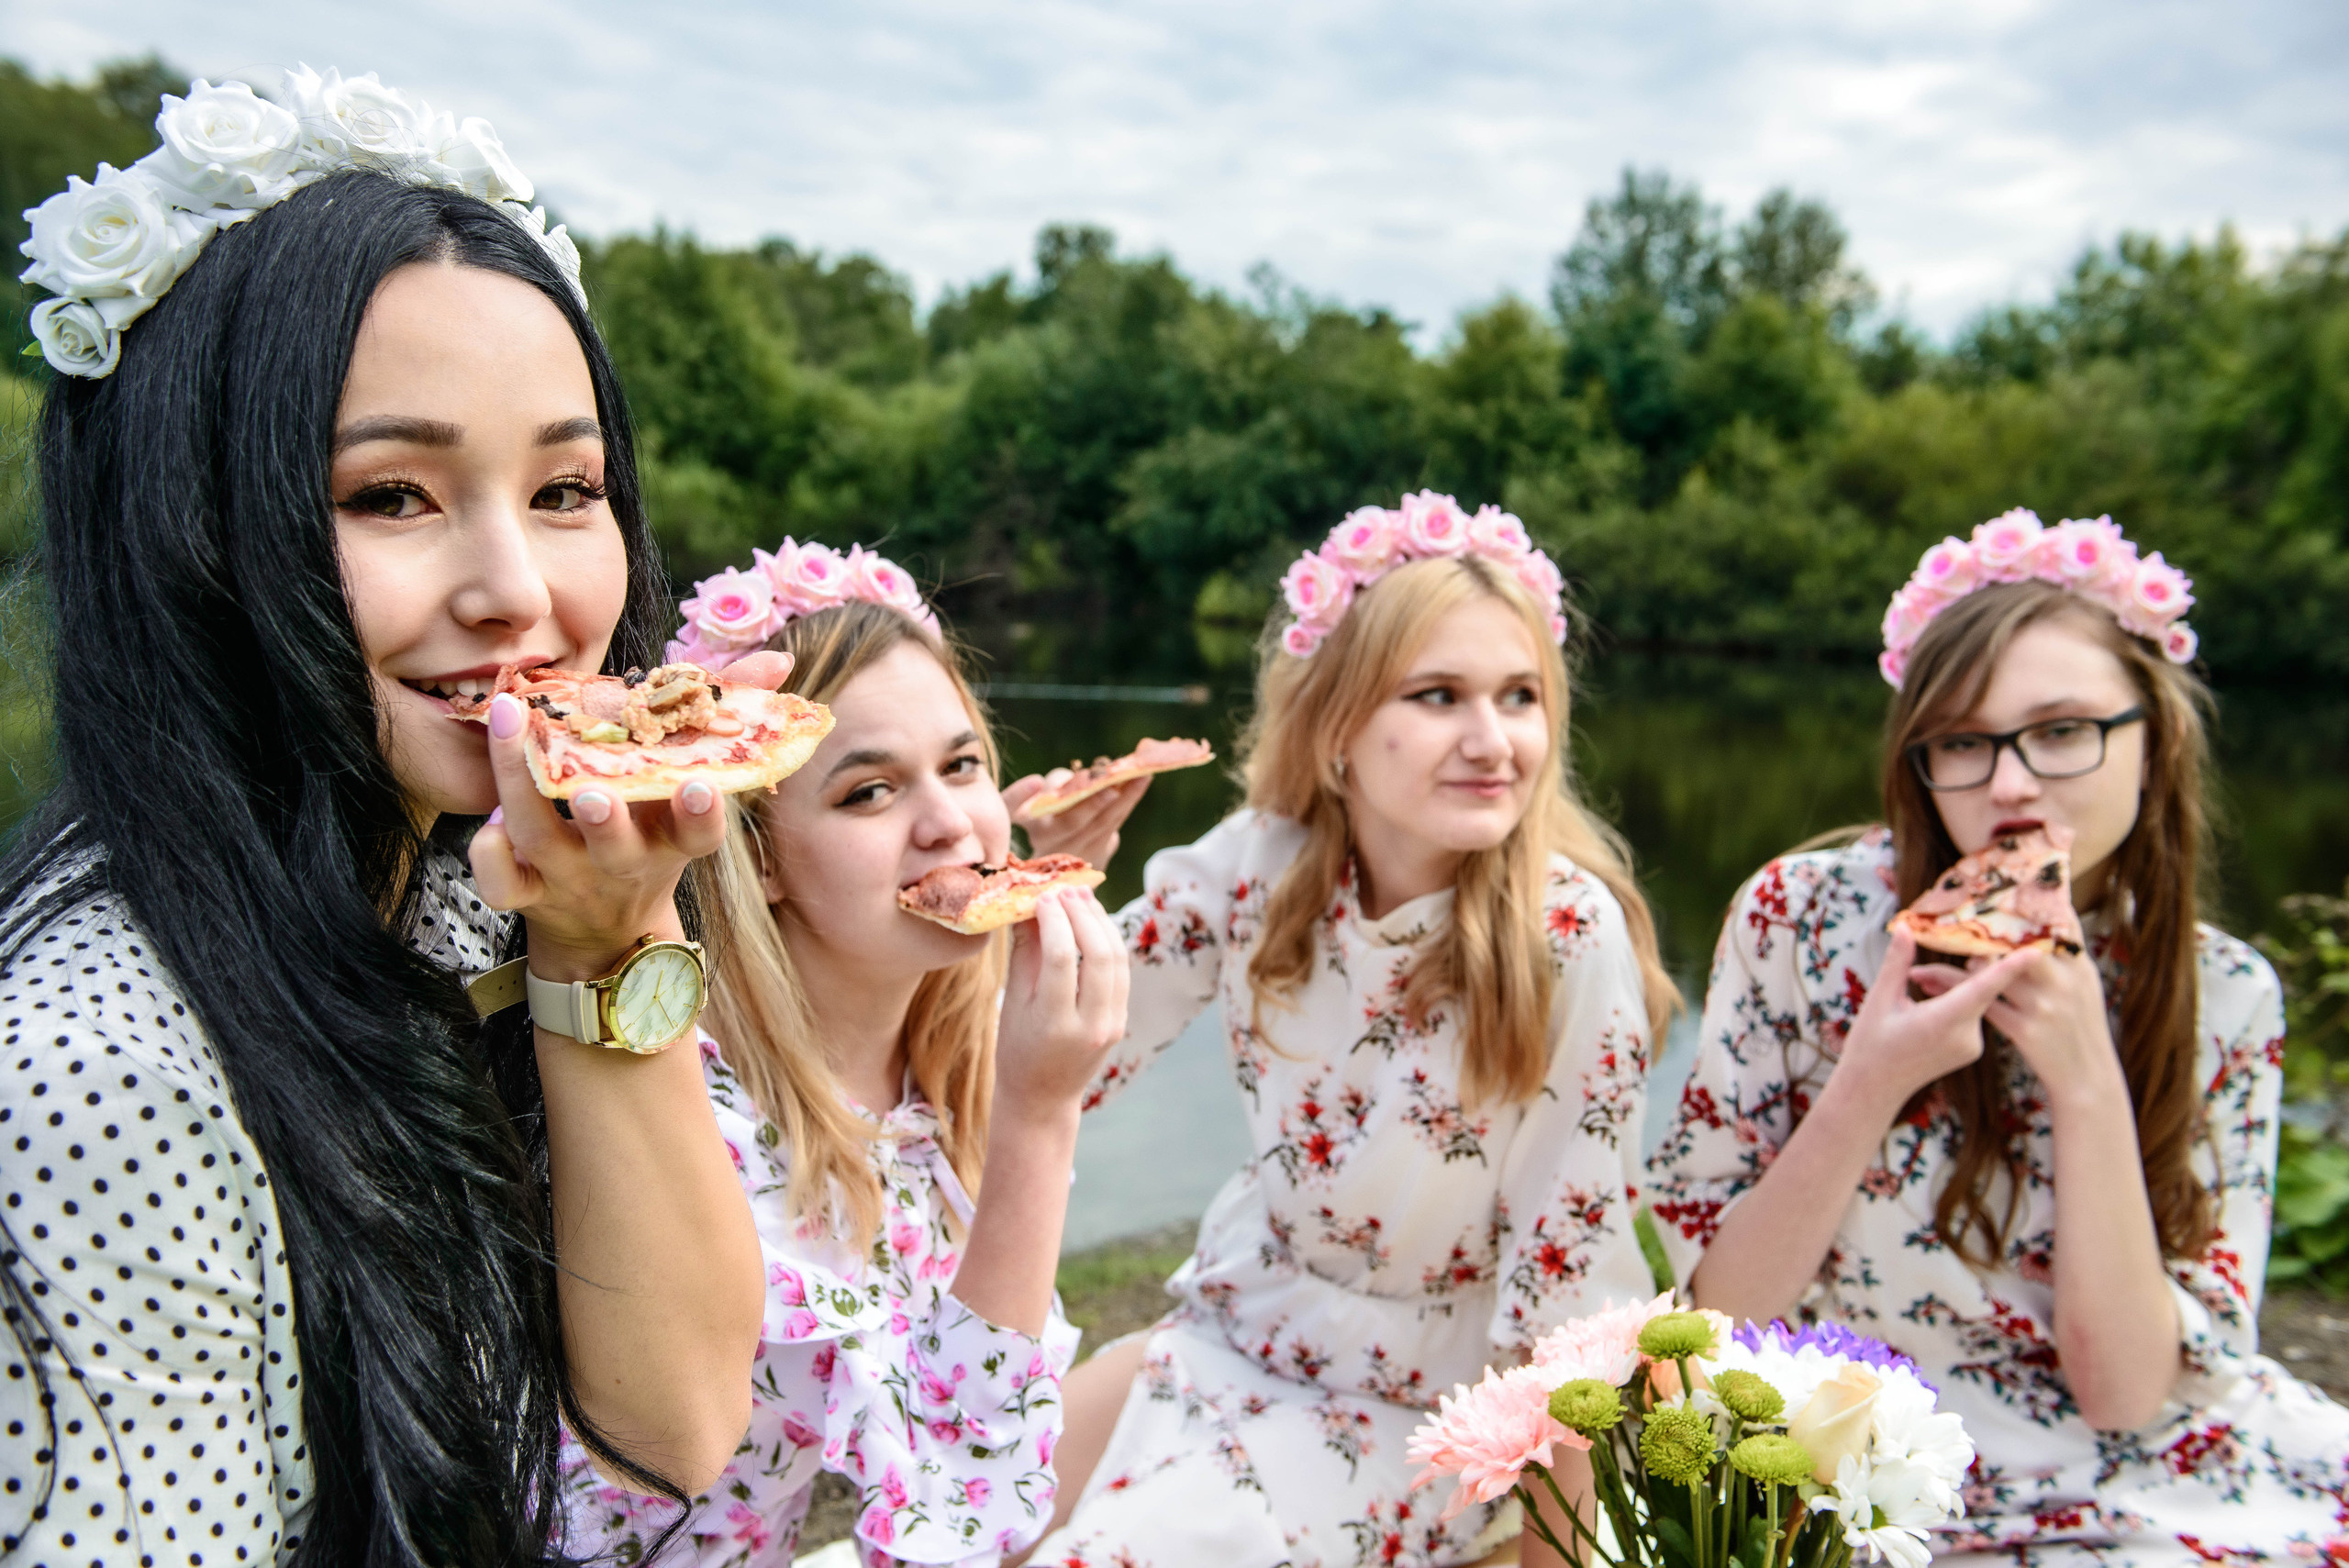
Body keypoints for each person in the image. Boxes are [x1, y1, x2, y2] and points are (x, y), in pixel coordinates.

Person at [1, 72, 765, 1564]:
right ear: (197, 525)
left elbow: (677, 1412)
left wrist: (610, 938)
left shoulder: (461, 879)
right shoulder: (98, 1073)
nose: (522, 594)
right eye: (394, 496)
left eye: (564, 486)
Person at [1646, 512, 2349, 1565]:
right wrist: (1870, 1077)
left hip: (2136, 1460)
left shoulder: (2224, 991)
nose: (2012, 784)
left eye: (2062, 730)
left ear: (2150, 738)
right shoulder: (1798, 917)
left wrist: (2085, 1080)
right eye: (1964, 743)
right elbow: (1722, 1315)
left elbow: (2124, 1394)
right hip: (1851, 1445)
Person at [1021, 495, 1680, 1567]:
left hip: (1430, 1411)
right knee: (957, 1511)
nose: (1491, 739)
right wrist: (1049, 887)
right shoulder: (1259, 863)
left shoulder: (1564, 934)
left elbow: (1567, 1280)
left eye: (1520, 696)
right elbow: (1062, 1056)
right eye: (1437, 695)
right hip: (1234, 1331)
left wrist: (1555, 1546)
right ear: (1334, 726)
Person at [557, 548, 1129, 1563]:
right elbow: (953, 1530)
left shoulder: (933, 1062)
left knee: (1165, 1368)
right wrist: (1039, 1116)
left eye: (962, 766)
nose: (951, 823)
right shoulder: (705, 1119)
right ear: (761, 855)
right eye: (870, 792)